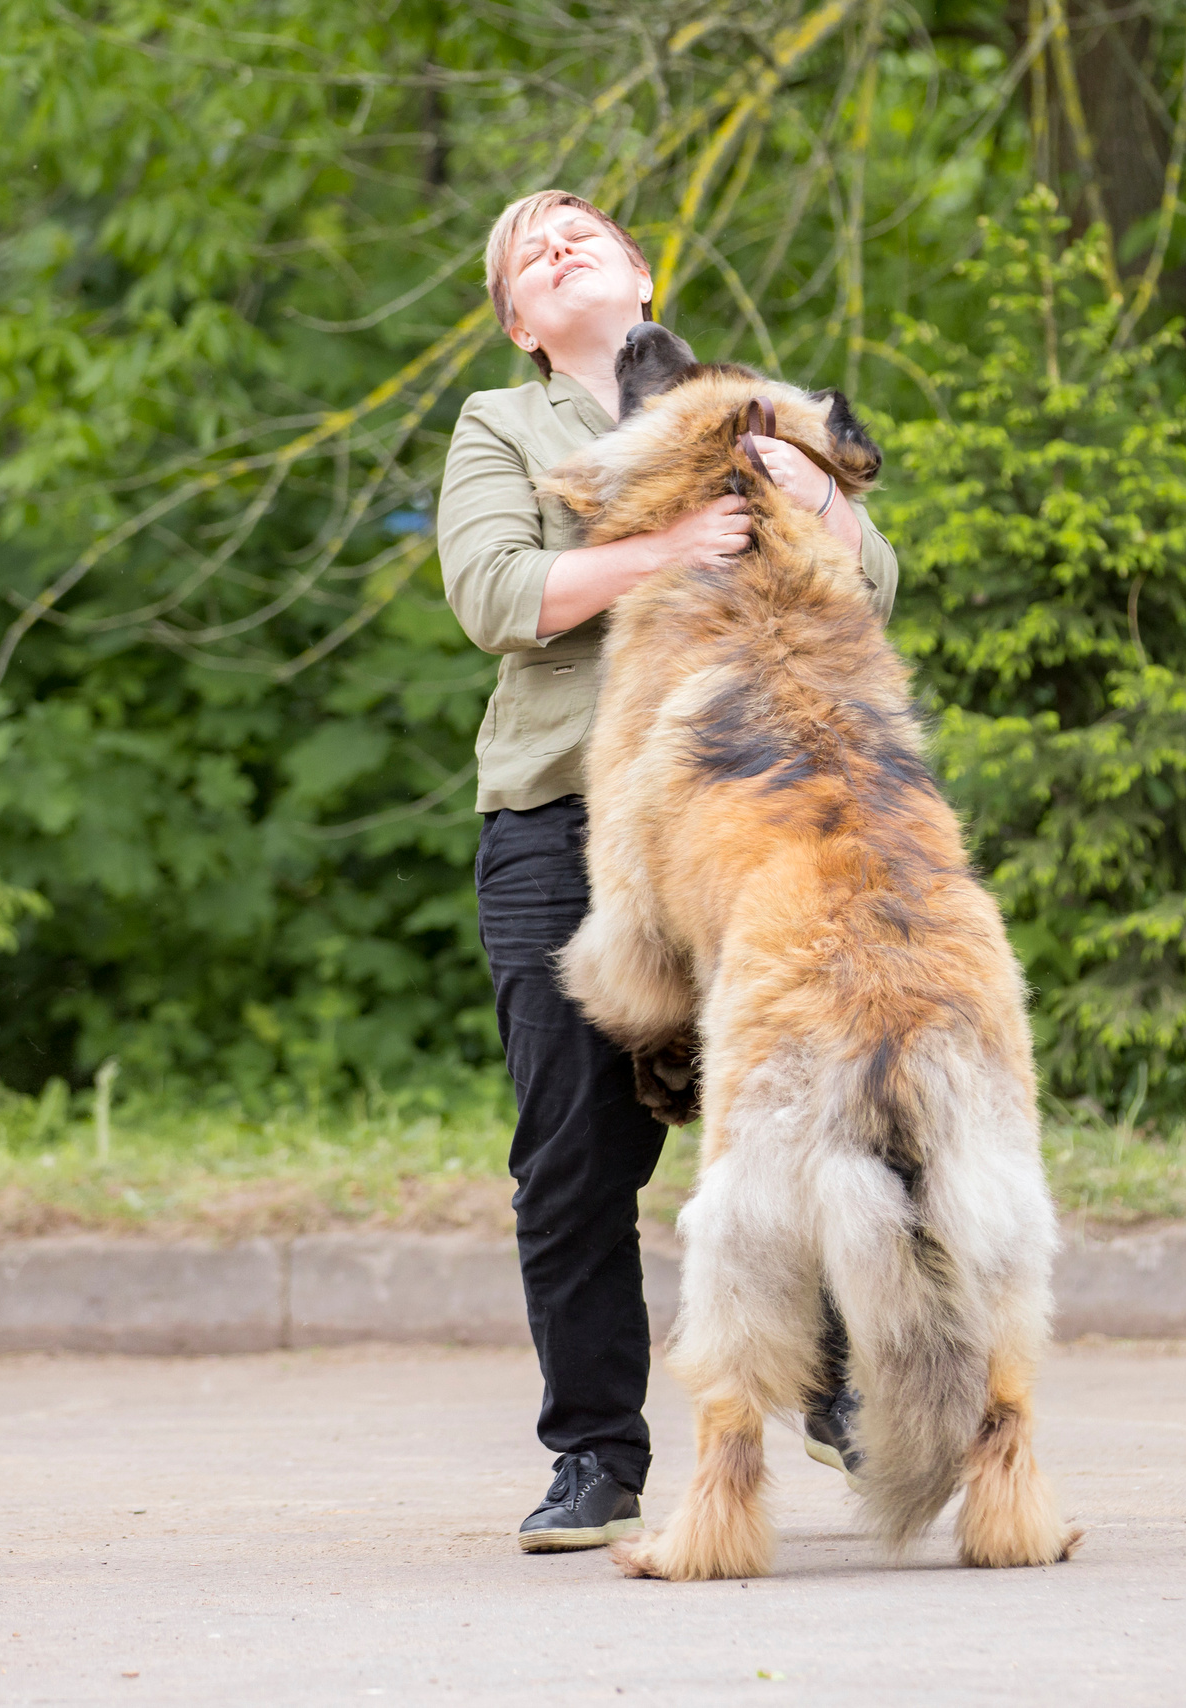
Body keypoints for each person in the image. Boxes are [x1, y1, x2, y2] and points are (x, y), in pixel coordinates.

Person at [436, 190, 899, 1552]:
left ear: (643, 271)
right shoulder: (501, 427)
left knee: (793, 1112)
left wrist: (807, 484)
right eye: (530, 249)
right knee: (576, 1154)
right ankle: (594, 1457)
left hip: (747, 812)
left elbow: (867, 586)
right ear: (520, 319)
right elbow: (497, 597)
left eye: (582, 229)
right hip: (566, 825)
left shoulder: (748, 411)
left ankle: (827, 1386)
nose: (558, 243)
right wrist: (667, 549)